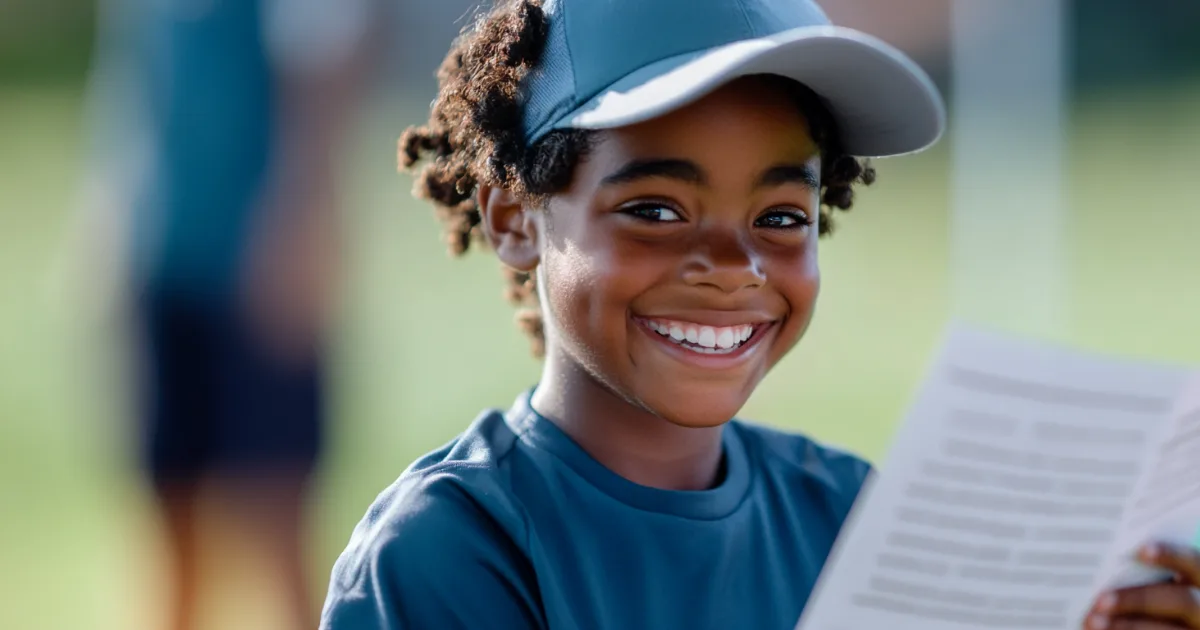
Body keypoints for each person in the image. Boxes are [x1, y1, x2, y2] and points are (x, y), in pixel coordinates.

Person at [319, 1, 1200, 629]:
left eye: (781, 219)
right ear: (515, 217)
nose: (734, 267)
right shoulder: (449, 554)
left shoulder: (853, 518)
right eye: (657, 210)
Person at [72, 0, 383, 629]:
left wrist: (305, 217)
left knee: (275, 519)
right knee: (168, 518)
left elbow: (330, 65)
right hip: (161, 255)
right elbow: (133, 84)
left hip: (261, 268)